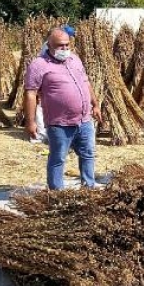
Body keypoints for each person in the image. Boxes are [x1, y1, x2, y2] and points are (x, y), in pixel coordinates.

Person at [24, 27, 101, 189]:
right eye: (60, 45)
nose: (65, 49)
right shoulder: (39, 65)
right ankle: (56, 192)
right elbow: (30, 94)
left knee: (88, 154)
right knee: (58, 158)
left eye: (67, 45)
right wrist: (30, 122)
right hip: (59, 123)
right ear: (49, 45)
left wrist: (95, 104)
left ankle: (89, 187)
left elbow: (85, 82)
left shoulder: (75, 60)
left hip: (84, 120)